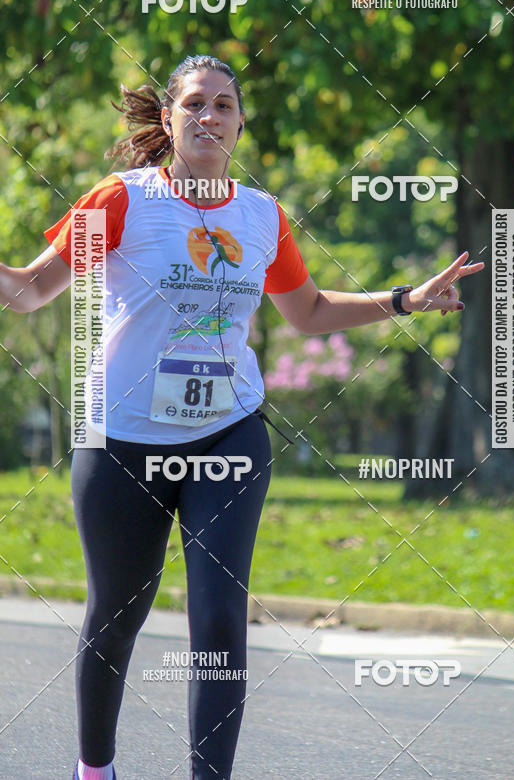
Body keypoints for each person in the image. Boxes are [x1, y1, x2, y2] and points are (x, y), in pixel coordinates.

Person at [0, 54, 484, 779]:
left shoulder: (260, 215)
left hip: (228, 432)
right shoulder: (119, 201)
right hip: (121, 438)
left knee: (221, 619)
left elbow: (310, 310)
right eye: (194, 103)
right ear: (168, 120)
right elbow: (32, 291)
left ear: (240, 122)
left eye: (224, 104)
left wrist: (405, 299)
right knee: (116, 615)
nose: (209, 116)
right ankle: (93, 770)